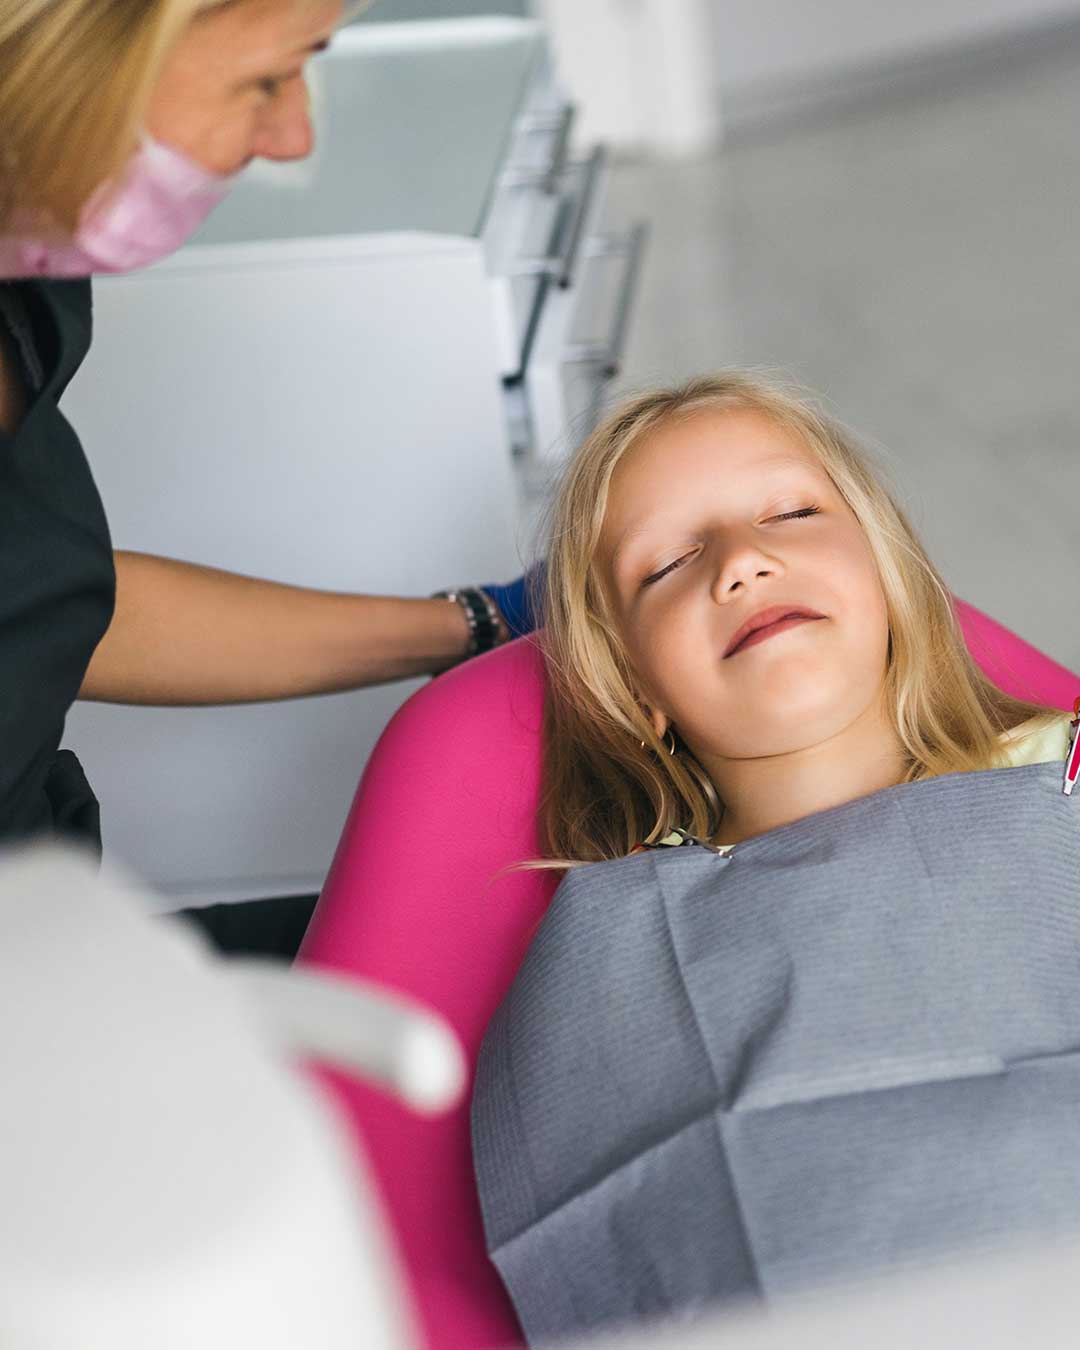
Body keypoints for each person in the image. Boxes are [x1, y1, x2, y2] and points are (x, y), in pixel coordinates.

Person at [470, 370, 1080, 1345]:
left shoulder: (1070, 776)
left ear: (888, 571)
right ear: (634, 686)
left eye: (791, 512)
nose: (742, 562)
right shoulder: (629, 934)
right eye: (667, 564)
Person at [0, 0, 540, 955]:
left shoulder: (27, 262)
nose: (295, 137)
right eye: (267, 78)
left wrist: (482, 621)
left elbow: (46, 604)